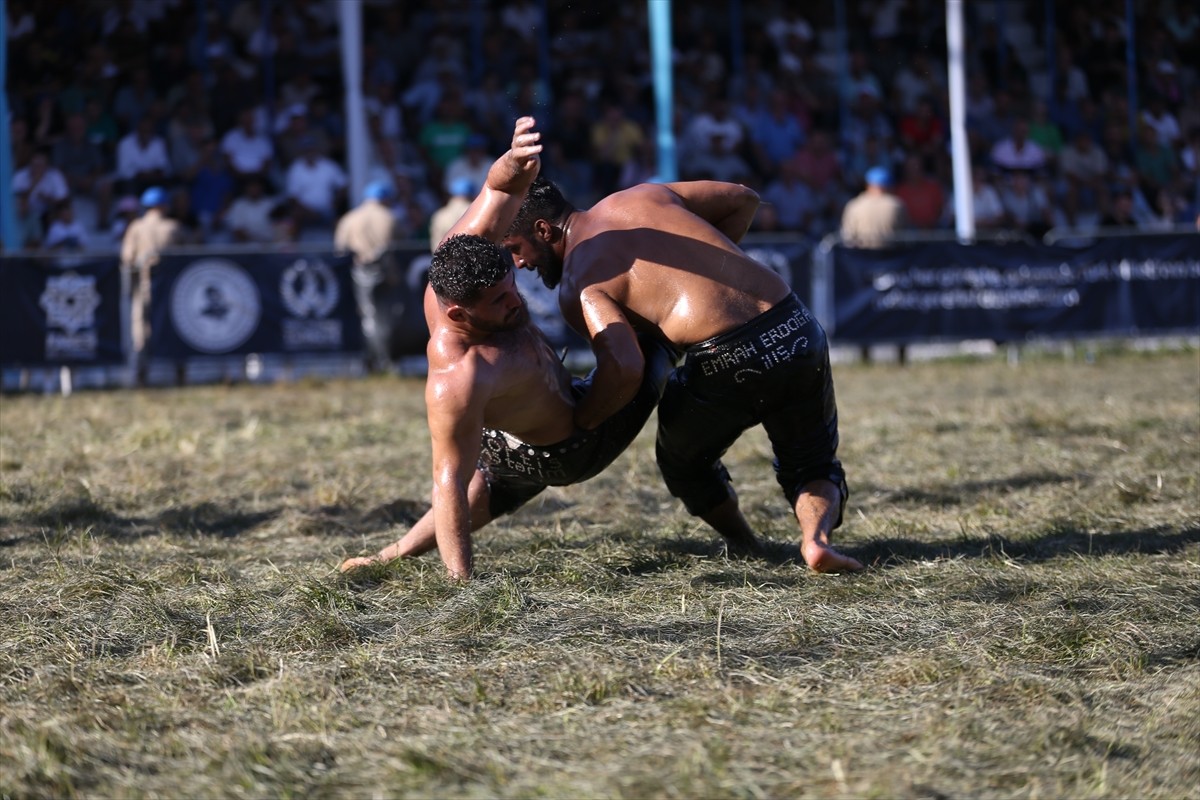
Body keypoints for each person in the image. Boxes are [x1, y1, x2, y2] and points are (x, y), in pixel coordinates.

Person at [339, 117, 672, 580]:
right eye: (498, 303)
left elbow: (496, 196)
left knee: (493, 482)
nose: (515, 300)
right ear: (458, 315)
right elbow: (447, 482)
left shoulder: (460, 255)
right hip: (570, 446)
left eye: (509, 286)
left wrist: (515, 162)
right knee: (660, 338)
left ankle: (392, 555)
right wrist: (463, 585)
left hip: (511, 439)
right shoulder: (458, 377)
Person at [502, 176, 864, 573]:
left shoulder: (579, 284)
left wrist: (584, 419)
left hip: (727, 356)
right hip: (795, 326)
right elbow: (744, 199)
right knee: (812, 460)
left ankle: (745, 543)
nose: (520, 264)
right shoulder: (642, 195)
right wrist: (716, 265)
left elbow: (625, 367)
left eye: (516, 249)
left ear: (543, 229)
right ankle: (815, 542)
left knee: (684, 461)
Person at [334, 180, 399, 373]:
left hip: (360, 272)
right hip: (386, 273)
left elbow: (339, 250)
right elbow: (398, 245)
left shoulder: (350, 218)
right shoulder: (389, 217)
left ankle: (372, 359)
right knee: (385, 317)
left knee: (367, 316)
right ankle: (384, 359)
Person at [121, 186, 181, 385]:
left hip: (143, 286)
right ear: (163, 205)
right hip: (171, 289)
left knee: (141, 331)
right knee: (174, 327)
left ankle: (141, 376)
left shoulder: (136, 227)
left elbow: (127, 257)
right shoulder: (173, 227)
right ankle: (180, 374)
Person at [841, 166, 905, 248]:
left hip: (860, 258)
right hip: (891, 258)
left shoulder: (854, 205)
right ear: (889, 186)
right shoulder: (897, 205)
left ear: (868, 185)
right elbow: (905, 233)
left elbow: (847, 237)